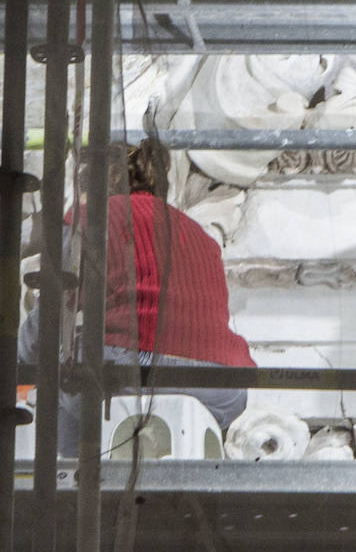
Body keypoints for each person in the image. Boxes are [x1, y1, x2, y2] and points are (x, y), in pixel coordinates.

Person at [21, 138, 255, 455]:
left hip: (130, 368)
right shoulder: (198, 233)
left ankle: (70, 486)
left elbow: (49, 310)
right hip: (222, 383)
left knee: (55, 381)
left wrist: (22, 358)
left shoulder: (88, 220)